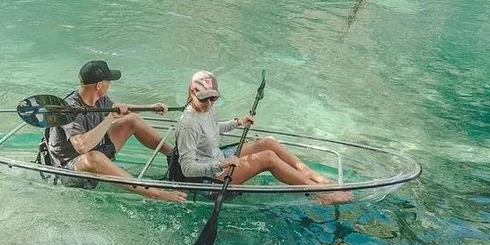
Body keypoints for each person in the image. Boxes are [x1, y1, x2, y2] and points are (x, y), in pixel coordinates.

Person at [169, 70, 353, 204]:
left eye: (213, 98)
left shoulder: (204, 107)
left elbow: (211, 129)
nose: (209, 103)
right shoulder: (187, 125)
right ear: (192, 92)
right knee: (267, 158)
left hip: (218, 159)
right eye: (204, 99)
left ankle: (311, 174)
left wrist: (237, 122)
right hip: (209, 178)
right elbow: (187, 169)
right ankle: (317, 191)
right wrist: (221, 164)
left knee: (268, 143)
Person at [45, 60, 186, 203]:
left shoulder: (99, 98)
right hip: (69, 170)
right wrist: (110, 118)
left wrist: (150, 107)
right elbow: (82, 147)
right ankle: (154, 193)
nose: (110, 84)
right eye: (109, 81)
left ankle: (176, 157)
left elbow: (118, 109)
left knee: (131, 120)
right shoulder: (70, 109)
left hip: (95, 150)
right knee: (94, 157)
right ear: (99, 85)